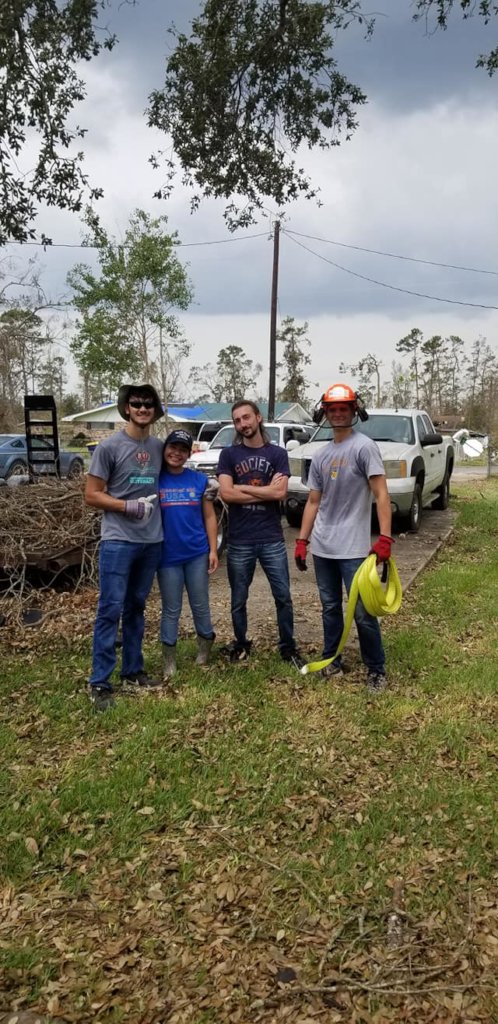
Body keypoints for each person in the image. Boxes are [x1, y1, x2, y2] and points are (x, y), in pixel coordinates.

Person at [294, 382, 393, 692]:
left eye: (343, 408)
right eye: (332, 409)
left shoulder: (364, 447)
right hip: (323, 547)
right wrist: (302, 540)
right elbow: (313, 501)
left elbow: (381, 494)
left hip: (353, 549)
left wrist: (385, 538)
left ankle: (376, 670)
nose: (337, 414)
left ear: (354, 410)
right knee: (330, 608)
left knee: (363, 613)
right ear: (325, 413)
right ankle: (332, 659)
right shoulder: (322, 455)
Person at [85, 383, 165, 711]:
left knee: (136, 609)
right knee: (110, 610)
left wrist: (206, 487)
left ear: (155, 410)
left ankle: (133, 671)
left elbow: (176, 474)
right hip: (118, 540)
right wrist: (124, 506)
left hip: (151, 541)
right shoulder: (109, 447)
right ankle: (100, 682)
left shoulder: (160, 447)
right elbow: (92, 494)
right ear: (127, 408)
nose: (143, 408)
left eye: (148, 404)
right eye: (136, 403)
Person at [217, 399, 302, 665]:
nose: (242, 424)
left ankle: (288, 647)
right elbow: (226, 494)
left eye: (246, 418)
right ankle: (241, 644)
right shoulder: (229, 455)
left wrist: (242, 489)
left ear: (258, 417)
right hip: (240, 540)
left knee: (283, 597)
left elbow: (280, 492)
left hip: (271, 538)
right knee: (238, 599)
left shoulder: (277, 454)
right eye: (237, 420)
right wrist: (263, 492)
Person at [157, 429, 218, 680]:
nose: (176, 453)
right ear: (164, 448)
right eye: (173, 447)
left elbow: (209, 515)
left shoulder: (198, 480)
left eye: (183, 449)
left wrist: (213, 549)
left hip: (196, 552)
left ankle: (204, 648)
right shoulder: (155, 479)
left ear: (189, 452)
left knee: (200, 604)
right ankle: (168, 658)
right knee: (171, 608)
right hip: (166, 555)